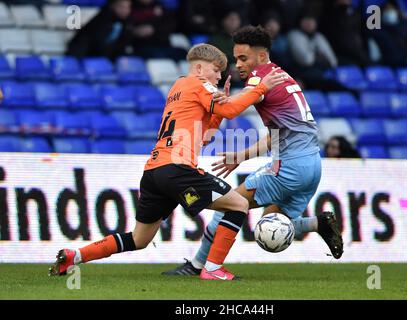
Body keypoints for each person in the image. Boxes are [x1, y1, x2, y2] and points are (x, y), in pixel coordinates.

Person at [48, 43, 285, 281]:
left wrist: (216, 112)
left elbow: (206, 135)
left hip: (154, 172)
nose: (219, 76)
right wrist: (261, 88)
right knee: (238, 205)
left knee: (139, 239)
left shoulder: (178, 87)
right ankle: (212, 269)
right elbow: (233, 109)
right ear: (200, 68)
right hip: (177, 169)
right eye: (217, 70)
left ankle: (75, 255)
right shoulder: (198, 83)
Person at [162, 26, 344, 277]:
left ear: (261, 56)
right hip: (312, 166)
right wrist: (241, 156)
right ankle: (317, 223)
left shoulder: (260, 78)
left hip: (288, 168)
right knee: (269, 226)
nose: (238, 65)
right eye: (236, 58)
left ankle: (197, 266)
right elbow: (277, 134)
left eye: (243, 58)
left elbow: (234, 106)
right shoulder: (283, 76)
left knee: (229, 204)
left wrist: (220, 98)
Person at [66, 0, 133, 60]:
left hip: (103, 58)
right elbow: (95, 44)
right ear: (112, 6)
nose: (125, 10)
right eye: (121, 7)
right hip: (85, 55)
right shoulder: (101, 20)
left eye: (128, 7)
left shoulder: (126, 23)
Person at [369, 1, 407, 67]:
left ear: (397, 11)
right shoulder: (377, 31)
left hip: (405, 65)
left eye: (392, 9)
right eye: (386, 9)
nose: (389, 12)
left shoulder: (406, 28)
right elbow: (375, 56)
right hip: (385, 66)